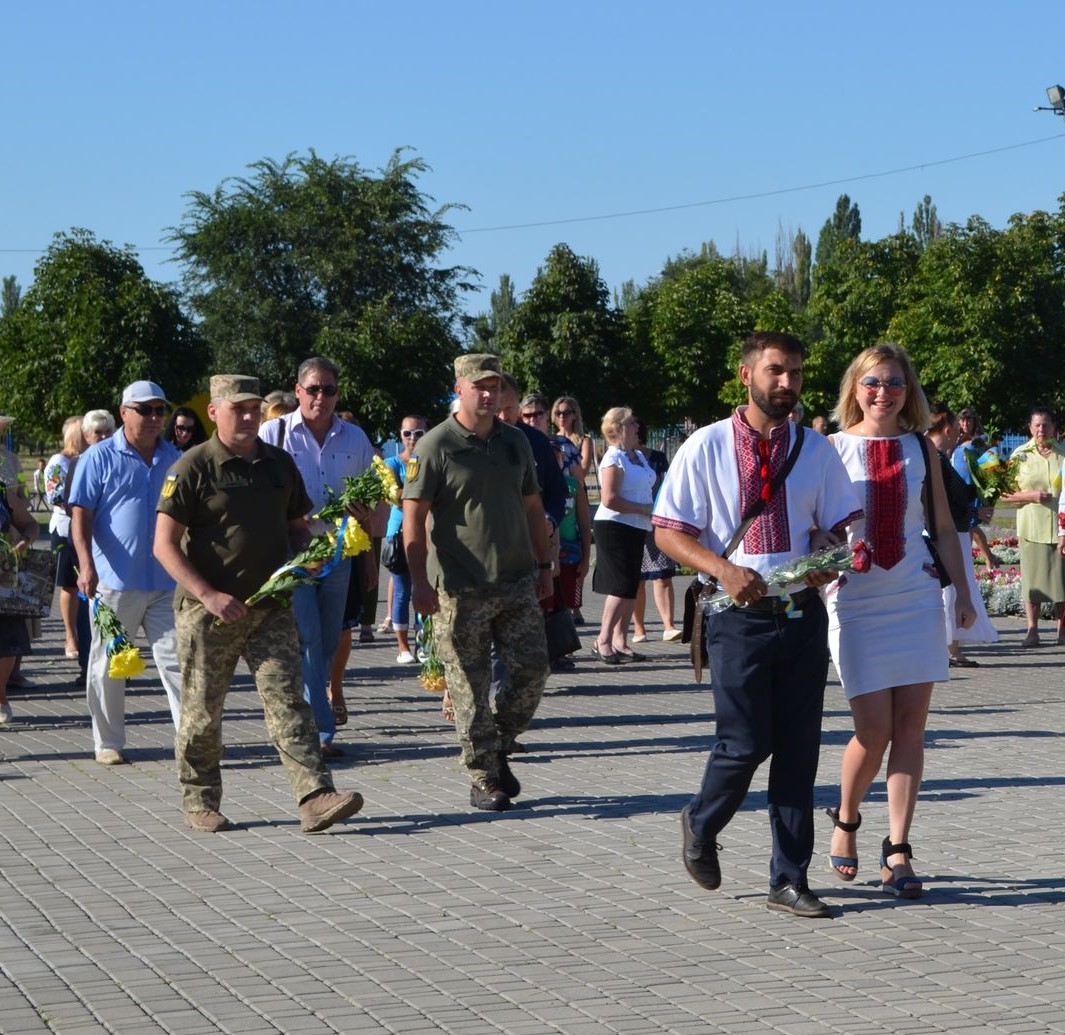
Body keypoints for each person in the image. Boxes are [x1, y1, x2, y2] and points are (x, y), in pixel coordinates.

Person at [654, 331, 863, 919]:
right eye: (776, 371)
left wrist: (831, 549)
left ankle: (788, 879)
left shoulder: (816, 449)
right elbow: (668, 532)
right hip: (735, 617)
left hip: (801, 615)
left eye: (795, 372)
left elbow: (843, 523)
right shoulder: (706, 445)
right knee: (745, 742)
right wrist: (723, 569)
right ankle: (701, 819)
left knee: (798, 751)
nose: (787, 384)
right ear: (746, 376)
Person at [154, 374, 364, 834]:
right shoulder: (193, 467)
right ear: (214, 412)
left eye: (254, 408)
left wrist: (311, 554)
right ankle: (200, 799)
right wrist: (209, 595)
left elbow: (297, 525)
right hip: (207, 613)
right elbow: (164, 546)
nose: (248, 417)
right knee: (203, 711)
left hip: (270, 606)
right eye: (237, 409)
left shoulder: (278, 464)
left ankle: (314, 796)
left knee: (289, 701)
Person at [824, 344, 975, 901]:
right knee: (874, 728)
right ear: (855, 389)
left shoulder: (920, 447)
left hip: (913, 595)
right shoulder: (831, 449)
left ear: (908, 390)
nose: (883, 392)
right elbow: (817, 525)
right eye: (872, 383)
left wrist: (962, 593)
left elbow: (940, 521)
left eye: (894, 383)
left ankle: (899, 848)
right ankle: (845, 817)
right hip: (855, 600)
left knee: (911, 726)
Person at [403, 354, 553, 812]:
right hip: (460, 586)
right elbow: (414, 519)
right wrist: (418, 583)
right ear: (460, 388)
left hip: (515, 580)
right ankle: (483, 776)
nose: (489, 394)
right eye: (480, 386)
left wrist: (545, 566)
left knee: (533, 670)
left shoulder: (514, 442)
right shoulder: (436, 445)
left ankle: (497, 745)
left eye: (496, 386)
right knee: (468, 685)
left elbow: (532, 508)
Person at [259, 357, 376, 758]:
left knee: (328, 639)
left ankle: (303, 713)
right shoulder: (274, 434)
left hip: (339, 551)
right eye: (313, 389)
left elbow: (371, 497)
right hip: (294, 552)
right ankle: (317, 731)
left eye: (328, 390)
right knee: (307, 636)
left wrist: (363, 510)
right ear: (297, 391)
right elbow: (257, 493)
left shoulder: (355, 439)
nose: (320, 397)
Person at [69, 380, 183, 765]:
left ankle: (193, 740)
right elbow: (80, 517)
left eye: (159, 410)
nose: (154, 418)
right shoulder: (98, 457)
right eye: (145, 410)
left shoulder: (176, 458)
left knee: (179, 663)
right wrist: (86, 565)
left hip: (168, 582)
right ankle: (108, 742)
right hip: (114, 582)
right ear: (124, 412)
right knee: (107, 667)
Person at [926, 404, 999, 667]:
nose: (958, 434)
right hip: (946, 535)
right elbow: (946, 501)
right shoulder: (935, 458)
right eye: (956, 430)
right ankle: (950, 648)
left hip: (948, 531)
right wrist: (975, 512)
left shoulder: (937, 457)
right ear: (947, 429)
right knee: (950, 591)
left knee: (950, 592)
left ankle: (951, 647)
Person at [592, 407, 656, 664]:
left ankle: (621, 640)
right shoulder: (613, 458)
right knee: (619, 585)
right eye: (631, 422)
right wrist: (642, 509)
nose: (637, 426)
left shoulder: (637, 456)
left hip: (637, 526)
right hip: (614, 526)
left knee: (631, 584)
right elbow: (609, 499)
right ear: (618, 428)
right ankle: (602, 639)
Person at [1002, 407, 1065, 647]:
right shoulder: (1020, 455)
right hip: (1032, 527)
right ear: (1029, 428)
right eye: (1037, 425)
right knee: (1033, 582)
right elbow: (1004, 494)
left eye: (1046, 425)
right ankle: (1032, 629)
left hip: (1061, 529)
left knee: (1063, 580)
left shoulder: (1063, 454)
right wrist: (1030, 495)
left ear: (1054, 427)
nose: (1041, 430)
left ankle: (1062, 630)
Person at [631, 418, 680, 643]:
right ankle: (639, 629)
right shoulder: (622, 459)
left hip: (658, 520)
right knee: (637, 579)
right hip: (633, 522)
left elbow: (670, 487)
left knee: (663, 575)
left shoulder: (658, 459)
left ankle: (669, 626)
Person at [385, 415, 427, 666]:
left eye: (419, 434)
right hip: (399, 533)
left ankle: (424, 643)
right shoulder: (392, 463)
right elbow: (396, 497)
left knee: (426, 588)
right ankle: (402, 645)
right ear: (400, 435)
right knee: (402, 591)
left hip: (426, 533)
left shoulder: (431, 460)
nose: (413, 439)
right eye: (408, 433)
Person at [44, 417, 86, 660]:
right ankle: (70, 634)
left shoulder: (88, 459)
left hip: (89, 529)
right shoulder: (59, 461)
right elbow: (55, 495)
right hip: (65, 529)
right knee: (70, 584)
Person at [0, 477, 39, 724]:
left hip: (5, 577)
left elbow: (31, 525)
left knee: (6, 642)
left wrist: (25, 541)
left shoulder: (4, 489)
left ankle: (0, 695)